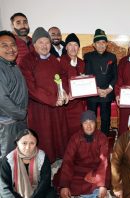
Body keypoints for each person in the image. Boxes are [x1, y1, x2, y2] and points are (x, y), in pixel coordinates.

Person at [19, 27, 69, 163]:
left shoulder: (54, 59)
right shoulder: (27, 61)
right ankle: (45, 161)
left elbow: (63, 75)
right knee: (44, 135)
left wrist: (64, 91)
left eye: (47, 42)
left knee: (58, 133)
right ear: (34, 44)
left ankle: (59, 158)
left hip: (57, 106)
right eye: (40, 42)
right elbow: (30, 87)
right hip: (39, 107)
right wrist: (53, 100)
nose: (44, 45)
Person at [55, 110, 110, 198]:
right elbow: (68, 160)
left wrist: (101, 185)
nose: (89, 126)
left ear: (96, 123)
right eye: (85, 123)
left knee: (103, 181)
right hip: (78, 170)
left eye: (91, 122)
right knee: (64, 182)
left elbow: (104, 162)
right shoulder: (75, 138)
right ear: (81, 125)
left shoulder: (102, 138)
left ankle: (96, 189)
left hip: (95, 171)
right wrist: (65, 185)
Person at [0, 129, 56, 198]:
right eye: (24, 143)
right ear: (17, 143)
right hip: (16, 193)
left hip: (38, 193)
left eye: (32, 143)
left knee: (51, 194)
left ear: (36, 144)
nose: (27, 147)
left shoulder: (42, 157)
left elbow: (45, 182)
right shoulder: (8, 160)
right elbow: (4, 186)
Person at [84, 29, 117, 136]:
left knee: (105, 117)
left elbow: (115, 76)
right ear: (94, 44)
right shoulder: (88, 56)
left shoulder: (112, 57)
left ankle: (104, 138)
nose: (101, 45)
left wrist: (108, 90)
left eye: (103, 42)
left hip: (106, 93)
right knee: (91, 117)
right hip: (93, 92)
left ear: (106, 44)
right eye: (98, 43)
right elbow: (87, 75)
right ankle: (91, 137)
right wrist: (96, 89)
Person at [0, 30, 28, 158]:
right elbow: (2, 99)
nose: (10, 49)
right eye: (4, 45)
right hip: (7, 122)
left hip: (17, 119)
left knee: (18, 155)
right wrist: (21, 113)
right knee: (7, 157)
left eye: (13, 44)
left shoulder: (11, 64)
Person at [61, 33, 86, 137]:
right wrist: (67, 92)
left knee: (79, 130)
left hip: (79, 102)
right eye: (70, 45)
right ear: (66, 47)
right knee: (66, 130)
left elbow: (85, 81)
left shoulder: (82, 62)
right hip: (66, 102)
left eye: (75, 45)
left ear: (78, 47)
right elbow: (60, 80)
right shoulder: (60, 61)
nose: (73, 48)